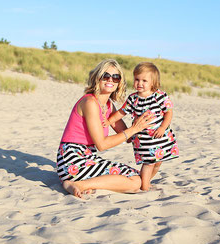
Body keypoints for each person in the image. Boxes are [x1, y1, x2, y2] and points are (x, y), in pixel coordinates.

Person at [56, 59, 153, 198]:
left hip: (88, 156)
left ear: (119, 82)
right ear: (97, 78)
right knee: (134, 183)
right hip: (72, 158)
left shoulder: (108, 105)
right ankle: (78, 184)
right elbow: (102, 144)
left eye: (115, 77)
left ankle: (84, 183)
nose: (110, 80)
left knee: (137, 178)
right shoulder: (90, 102)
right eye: (105, 76)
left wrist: (147, 128)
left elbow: (128, 136)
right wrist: (133, 129)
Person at [106, 62, 179, 191]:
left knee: (157, 163)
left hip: (160, 137)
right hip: (144, 139)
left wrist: (163, 127)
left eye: (144, 80)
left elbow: (169, 112)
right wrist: (108, 121)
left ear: (153, 82)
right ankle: (145, 188)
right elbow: (121, 112)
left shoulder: (159, 96)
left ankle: (145, 182)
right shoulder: (133, 99)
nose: (139, 83)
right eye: (137, 79)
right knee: (148, 163)